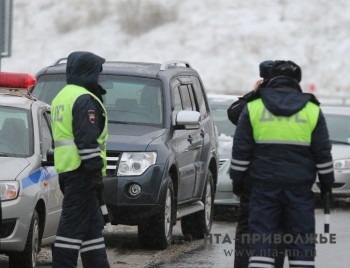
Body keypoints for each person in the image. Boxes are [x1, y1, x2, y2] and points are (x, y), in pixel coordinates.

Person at [230, 60, 334, 268]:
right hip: (300, 190)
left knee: (262, 244)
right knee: (301, 245)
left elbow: (241, 151)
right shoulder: (312, 110)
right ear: (297, 81)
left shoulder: (254, 107)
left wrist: (238, 183)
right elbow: (322, 154)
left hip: (263, 188)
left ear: (269, 80)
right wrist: (327, 187)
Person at [51, 51, 110, 268]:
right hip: (82, 173)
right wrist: (95, 174)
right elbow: (87, 140)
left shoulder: (63, 96)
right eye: (97, 73)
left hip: (69, 171)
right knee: (71, 229)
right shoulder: (84, 99)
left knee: (92, 229)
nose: (98, 78)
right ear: (88, 72)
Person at [227, 61, 285, 268]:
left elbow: (233, 113)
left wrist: (254, 93)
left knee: (246, 226)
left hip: (254, 176)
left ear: (262, 79)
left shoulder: (253, 104)